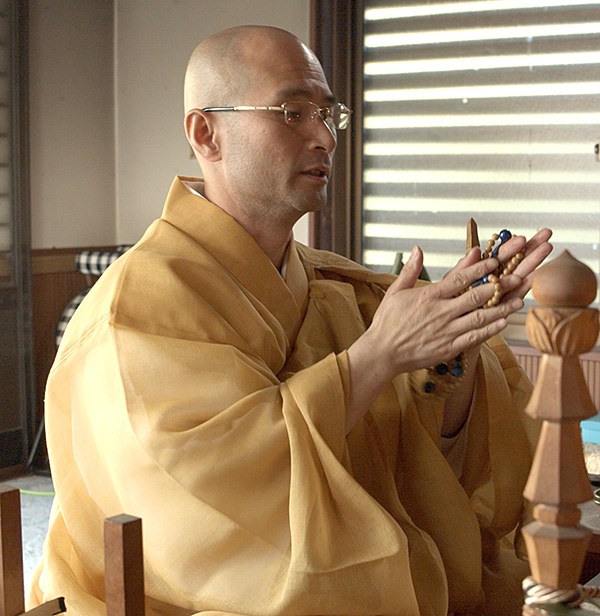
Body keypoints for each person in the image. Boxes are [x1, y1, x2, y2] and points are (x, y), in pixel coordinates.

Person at [29, 25, 553, 616]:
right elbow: (205, 510)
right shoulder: (137, 311)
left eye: (330, 115)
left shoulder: (333, 286)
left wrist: (452, 351)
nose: (324, 137)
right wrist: (377, 356)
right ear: (207, 133)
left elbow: (411, 445)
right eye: (292, 111)